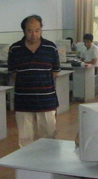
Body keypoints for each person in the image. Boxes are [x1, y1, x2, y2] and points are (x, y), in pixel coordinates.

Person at [8, 15, 61, 148]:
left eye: (37, 30)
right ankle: (26, 162)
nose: (34, 34)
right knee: (25, 139)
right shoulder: (15, 49)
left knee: (49, 138)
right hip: (23, 101)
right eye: (30, 31)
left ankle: (48, 161)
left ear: (41, 29)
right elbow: (13, 72)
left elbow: (55, 72)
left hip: (46, 100)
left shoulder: (50, 47)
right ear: (24, 31)